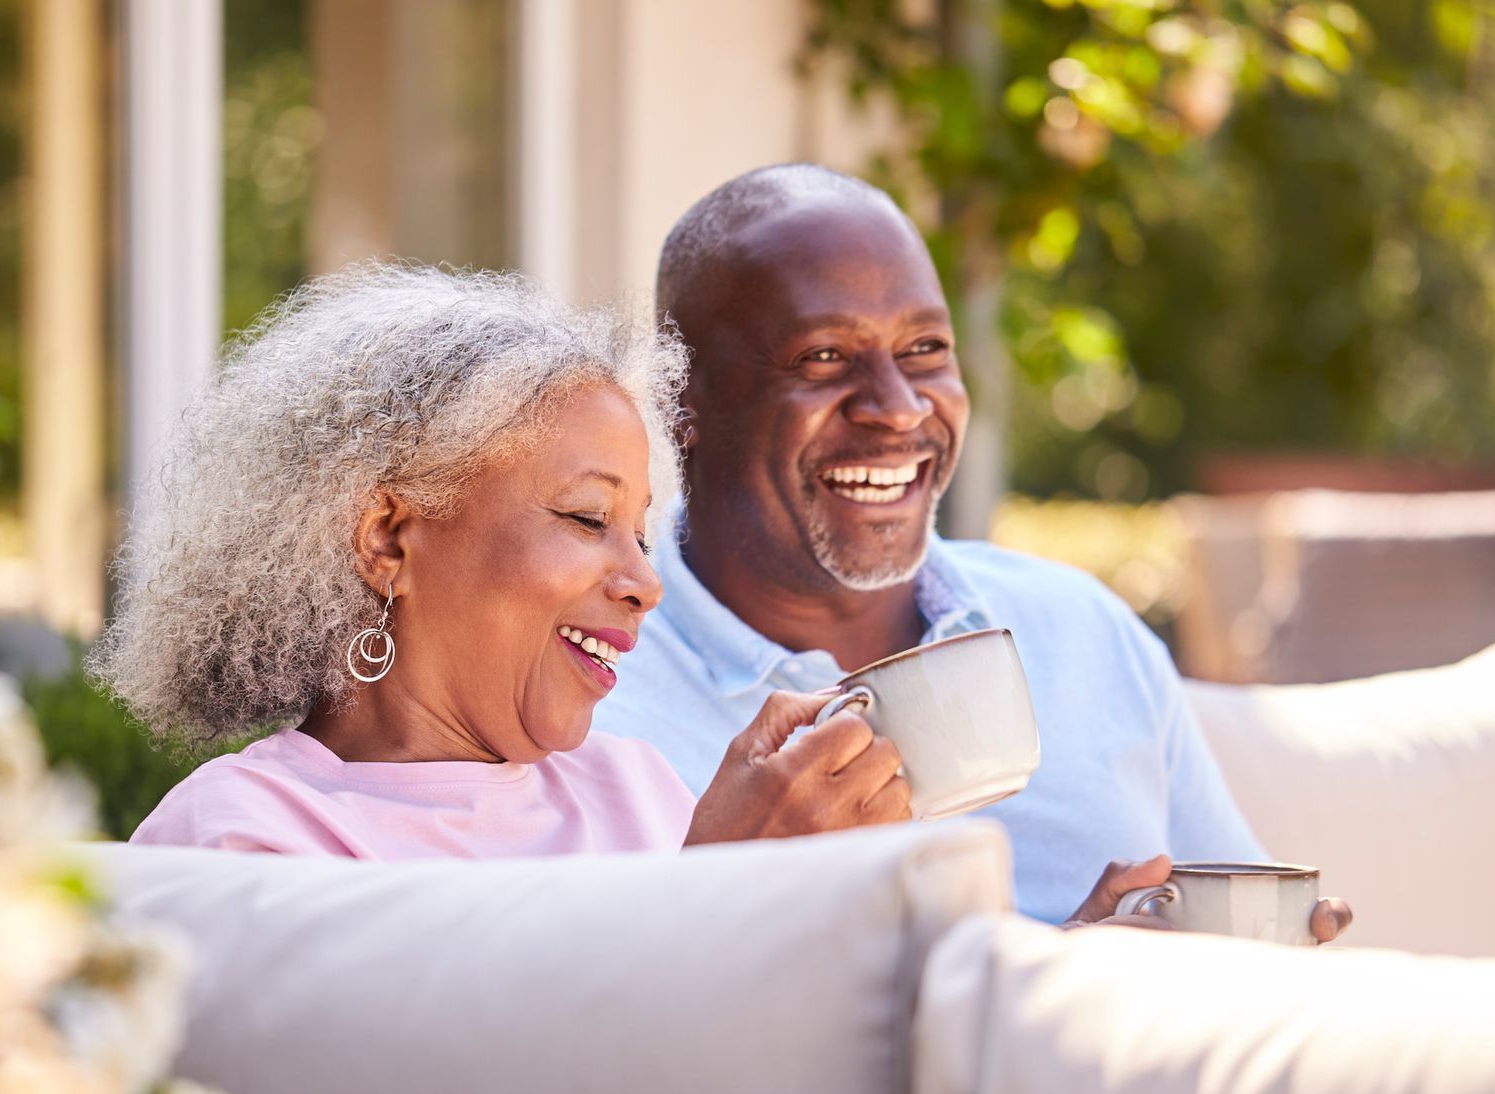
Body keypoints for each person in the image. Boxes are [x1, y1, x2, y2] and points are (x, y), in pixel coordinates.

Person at [593, 165, 1350, 937]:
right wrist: (721, 890)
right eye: (824, 357)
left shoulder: (1080, 632)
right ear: (682, 401)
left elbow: (1250, 940)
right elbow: (570, 1042)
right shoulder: (589, 696)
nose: (899, 407)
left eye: (924, 349)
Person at [93, 264, 910, 860]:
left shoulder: (636, 792)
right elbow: (452, 1093)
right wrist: (723, 885)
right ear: (387, 538)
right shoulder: (247, 833)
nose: (647, 584)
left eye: (641, 533)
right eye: (588, 517)